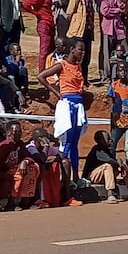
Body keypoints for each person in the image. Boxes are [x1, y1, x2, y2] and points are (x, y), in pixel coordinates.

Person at [37, 37, 89, 174]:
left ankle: (75, 177)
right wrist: (57, 92)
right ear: (72, 50)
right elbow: (41, 76)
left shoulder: (78, 66)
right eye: (80, 49)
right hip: (67, 106)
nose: (83, 52)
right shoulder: (61, 65)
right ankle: (56, 173)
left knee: (74, 144)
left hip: (79, 106)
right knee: (66, 143)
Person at [0, 121, 40, 210]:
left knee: (33, 167)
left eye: (20, 132)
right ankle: (10, 203)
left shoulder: (20, 144)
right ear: (9, 133)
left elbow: (29, 157)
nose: (20, 134)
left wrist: (25, 162)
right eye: (17, 132)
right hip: (0, 189)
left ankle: (25, 202)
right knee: (17, 173)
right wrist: (9, 177)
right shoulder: (2, 147)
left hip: (13, 179)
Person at [65, 0, 97, 83]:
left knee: (87, 56)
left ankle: (85, 79)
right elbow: (69, 13)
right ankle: (75, 78)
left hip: (88, 29)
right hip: (79, 31)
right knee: (78, 56)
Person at [82, 129, 126, 204]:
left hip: (103, 175)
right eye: (108, 139)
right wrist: (118, 162)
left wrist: (120, 163)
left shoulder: (107, 149)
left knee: (122, 164)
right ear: (100, 140)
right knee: (107, 166)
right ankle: (110, 193)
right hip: (93, 177)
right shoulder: (97, 150)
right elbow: (108, 160)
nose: (111, 140)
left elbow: (114, 162)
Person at [98, 0, 128, 81]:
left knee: (124, 50)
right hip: (108, 27)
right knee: (106, 52)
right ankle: (106, 76)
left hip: (118, 27)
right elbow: (105, 11)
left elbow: (123, 8)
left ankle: (122, 73)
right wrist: (117, 10)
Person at [22, 0, 57, 64]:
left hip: (50, 24)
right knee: (44, 51)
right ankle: (42, 73)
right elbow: (26, 4)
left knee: (51, 49)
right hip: (44, 24)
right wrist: (36, 13)